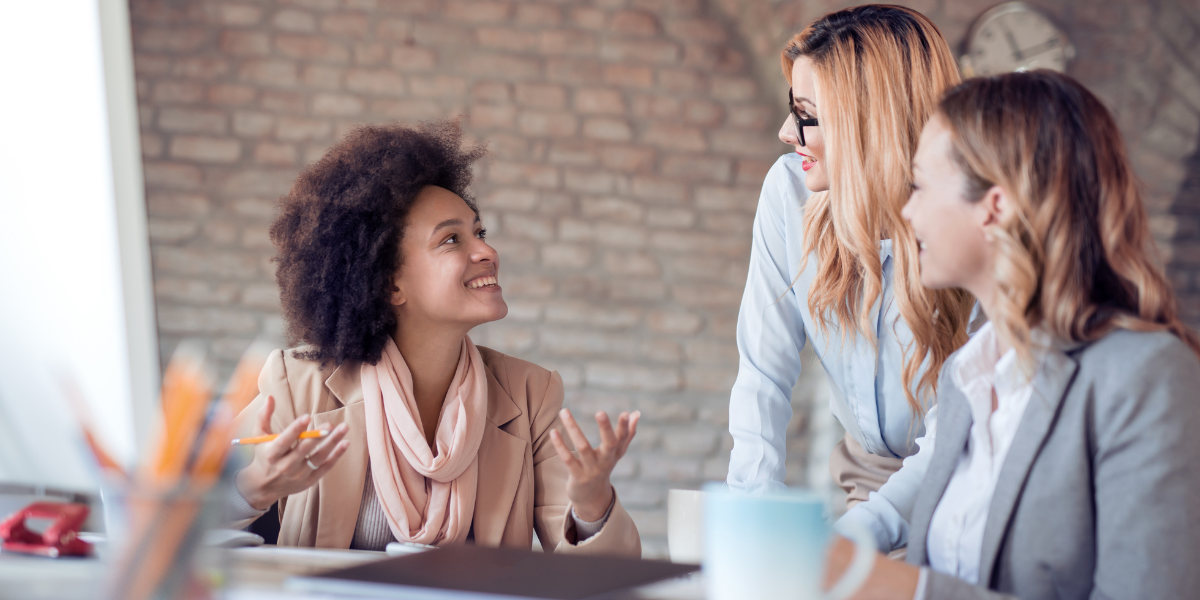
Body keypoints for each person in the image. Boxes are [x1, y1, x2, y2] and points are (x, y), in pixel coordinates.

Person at [823, 70, 1200, 599]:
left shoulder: (1145, 377)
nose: (906, 213)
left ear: (993, 207)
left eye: (919, 185)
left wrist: (910, 591)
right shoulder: (964, 377)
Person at [225, 121, 640, 556]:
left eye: (478, 232)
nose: (487, 252)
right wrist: (253, 489)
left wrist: (592, 507)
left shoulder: (529, 395)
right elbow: (175, 522)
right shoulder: (300, 387)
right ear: (389, 284)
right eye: (451, 239)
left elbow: (599, 574)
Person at [726, 4, 975, 547]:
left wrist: (850, 541)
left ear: (870, 122)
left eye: (806, 114)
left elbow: (956, 428)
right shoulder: (789, 192)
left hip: (968, 503)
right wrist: (751, 519)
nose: (785, 132)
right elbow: (762, 371)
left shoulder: (967, 225)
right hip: (866, 490)